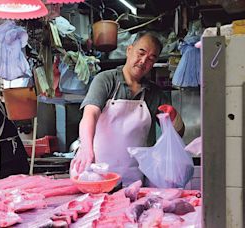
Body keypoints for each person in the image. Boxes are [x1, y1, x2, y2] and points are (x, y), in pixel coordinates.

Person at [71, 32, 185, 186]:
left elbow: (176, 135)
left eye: (151, 58)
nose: (143, 60)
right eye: (141, 52)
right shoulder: (105, 80)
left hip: (134, 179)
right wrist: (86, 149)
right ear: (129, 50)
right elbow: (90, 114)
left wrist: (174, 119)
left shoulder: (154, 93)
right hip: (97, 173)